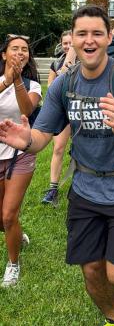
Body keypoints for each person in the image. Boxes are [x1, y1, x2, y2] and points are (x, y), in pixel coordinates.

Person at [0, 6, 114, 325]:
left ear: (107, 38)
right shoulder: (64, 85)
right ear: (72, 41)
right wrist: (25, 140)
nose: (89, 40)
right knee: (91, 271)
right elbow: (42, 134)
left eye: (96, 33)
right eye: (82, 34)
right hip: (86, 191)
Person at [0, 35, 41, 287]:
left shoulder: (33, 85)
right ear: (4, 54)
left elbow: (27, 110)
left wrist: (16, 82)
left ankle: (13, 264)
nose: (20, 52)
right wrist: (6, 80)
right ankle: (17, 235)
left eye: (24, 49)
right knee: (1, 219)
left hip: (20, 154)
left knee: (7, 215)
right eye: (14, 48)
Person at [42, 31, 73, 205]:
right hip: (63, 112)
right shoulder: (56, 63)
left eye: (71, 42)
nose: (68, 46)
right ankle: (53, 188)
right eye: (65, 43)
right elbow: (51, 88)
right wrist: (62, 74)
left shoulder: (86, 60)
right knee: (58, 148)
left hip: (81, 110)